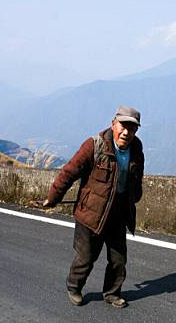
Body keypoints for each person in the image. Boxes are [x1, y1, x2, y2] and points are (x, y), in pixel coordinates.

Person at [43, 105, 144, 308]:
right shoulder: (94, 145)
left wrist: (134, 195)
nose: (126, 132)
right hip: (91, 214)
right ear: (113, 124)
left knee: (118, 260)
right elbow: (69, 172)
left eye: (132, 129)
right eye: (123, 126)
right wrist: (52, 198)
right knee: (87, 257)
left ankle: (112, 293)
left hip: (118, 214)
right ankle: (74, 286)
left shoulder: (136, 151)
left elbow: (137, 179)